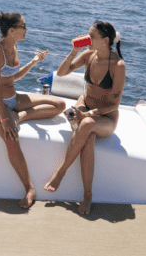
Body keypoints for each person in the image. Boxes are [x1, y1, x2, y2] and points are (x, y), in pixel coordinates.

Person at [0, 11, 66, 209]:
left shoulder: (15, 46)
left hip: (13, 99)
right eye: (24, 26)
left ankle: (20, 116)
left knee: (59, 105)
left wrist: (33, 62)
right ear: (12, 30)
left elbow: (13, 77)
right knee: (11, 139)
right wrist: (4, 118)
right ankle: (29, 188)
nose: (27, 29)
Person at [43, 20, 125, 215]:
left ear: (105, 40)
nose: (87, 39)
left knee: (87, 123)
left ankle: (60, 172)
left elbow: (113, 104)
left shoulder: (118, 65)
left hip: (106, 117)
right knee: (87, 137)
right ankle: (87, 194)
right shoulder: (88, 55)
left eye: (92, 37)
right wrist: (73, 51)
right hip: (84, 106)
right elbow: (62, 73)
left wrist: (88, 114)